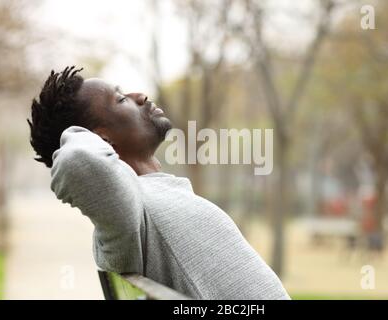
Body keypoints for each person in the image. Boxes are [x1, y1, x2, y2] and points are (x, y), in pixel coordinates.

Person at [27, 66, 290, 300]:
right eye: (120, 99)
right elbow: (77, 160)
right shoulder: (127, 213)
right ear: (101, 139)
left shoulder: (145, 199)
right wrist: (76, 134)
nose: (140, 95)